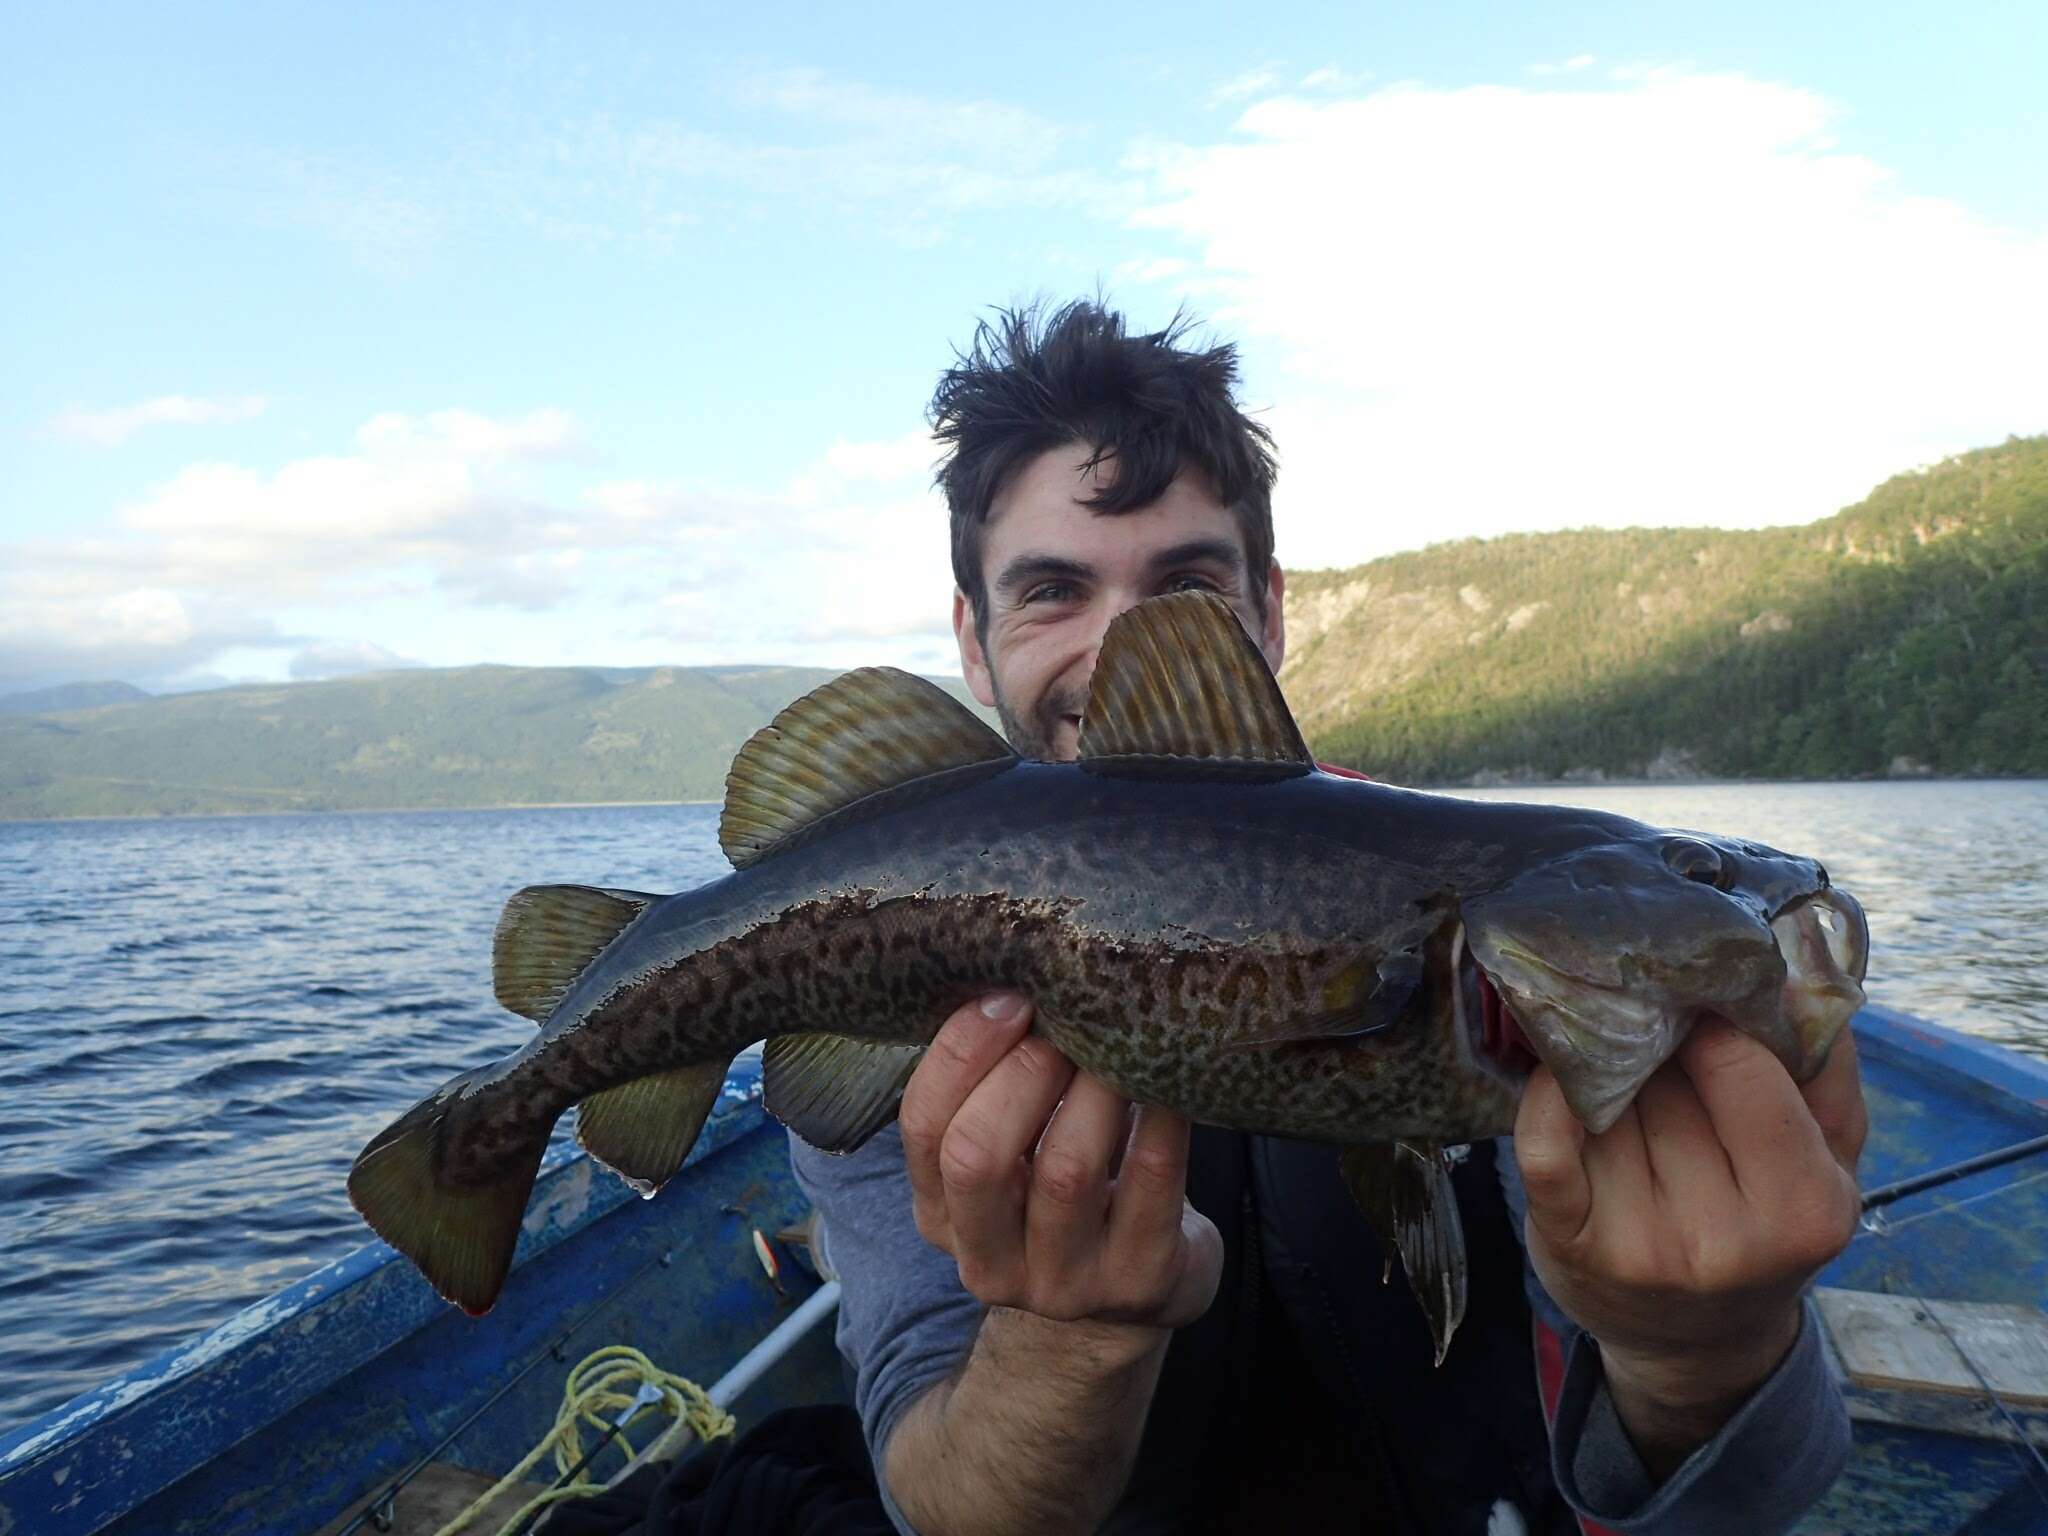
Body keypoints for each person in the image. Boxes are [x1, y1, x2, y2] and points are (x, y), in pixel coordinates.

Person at [790, 300, 1867, 1535]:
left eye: (1189, 581)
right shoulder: (869, 941)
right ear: (973, 647)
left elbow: (1739, 1502)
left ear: (1269, 611)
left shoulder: (1521, 970)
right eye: (1049, 592)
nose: (1128, 643)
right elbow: (934, 1498)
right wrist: (1061, 1340)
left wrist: (1693, 1357)